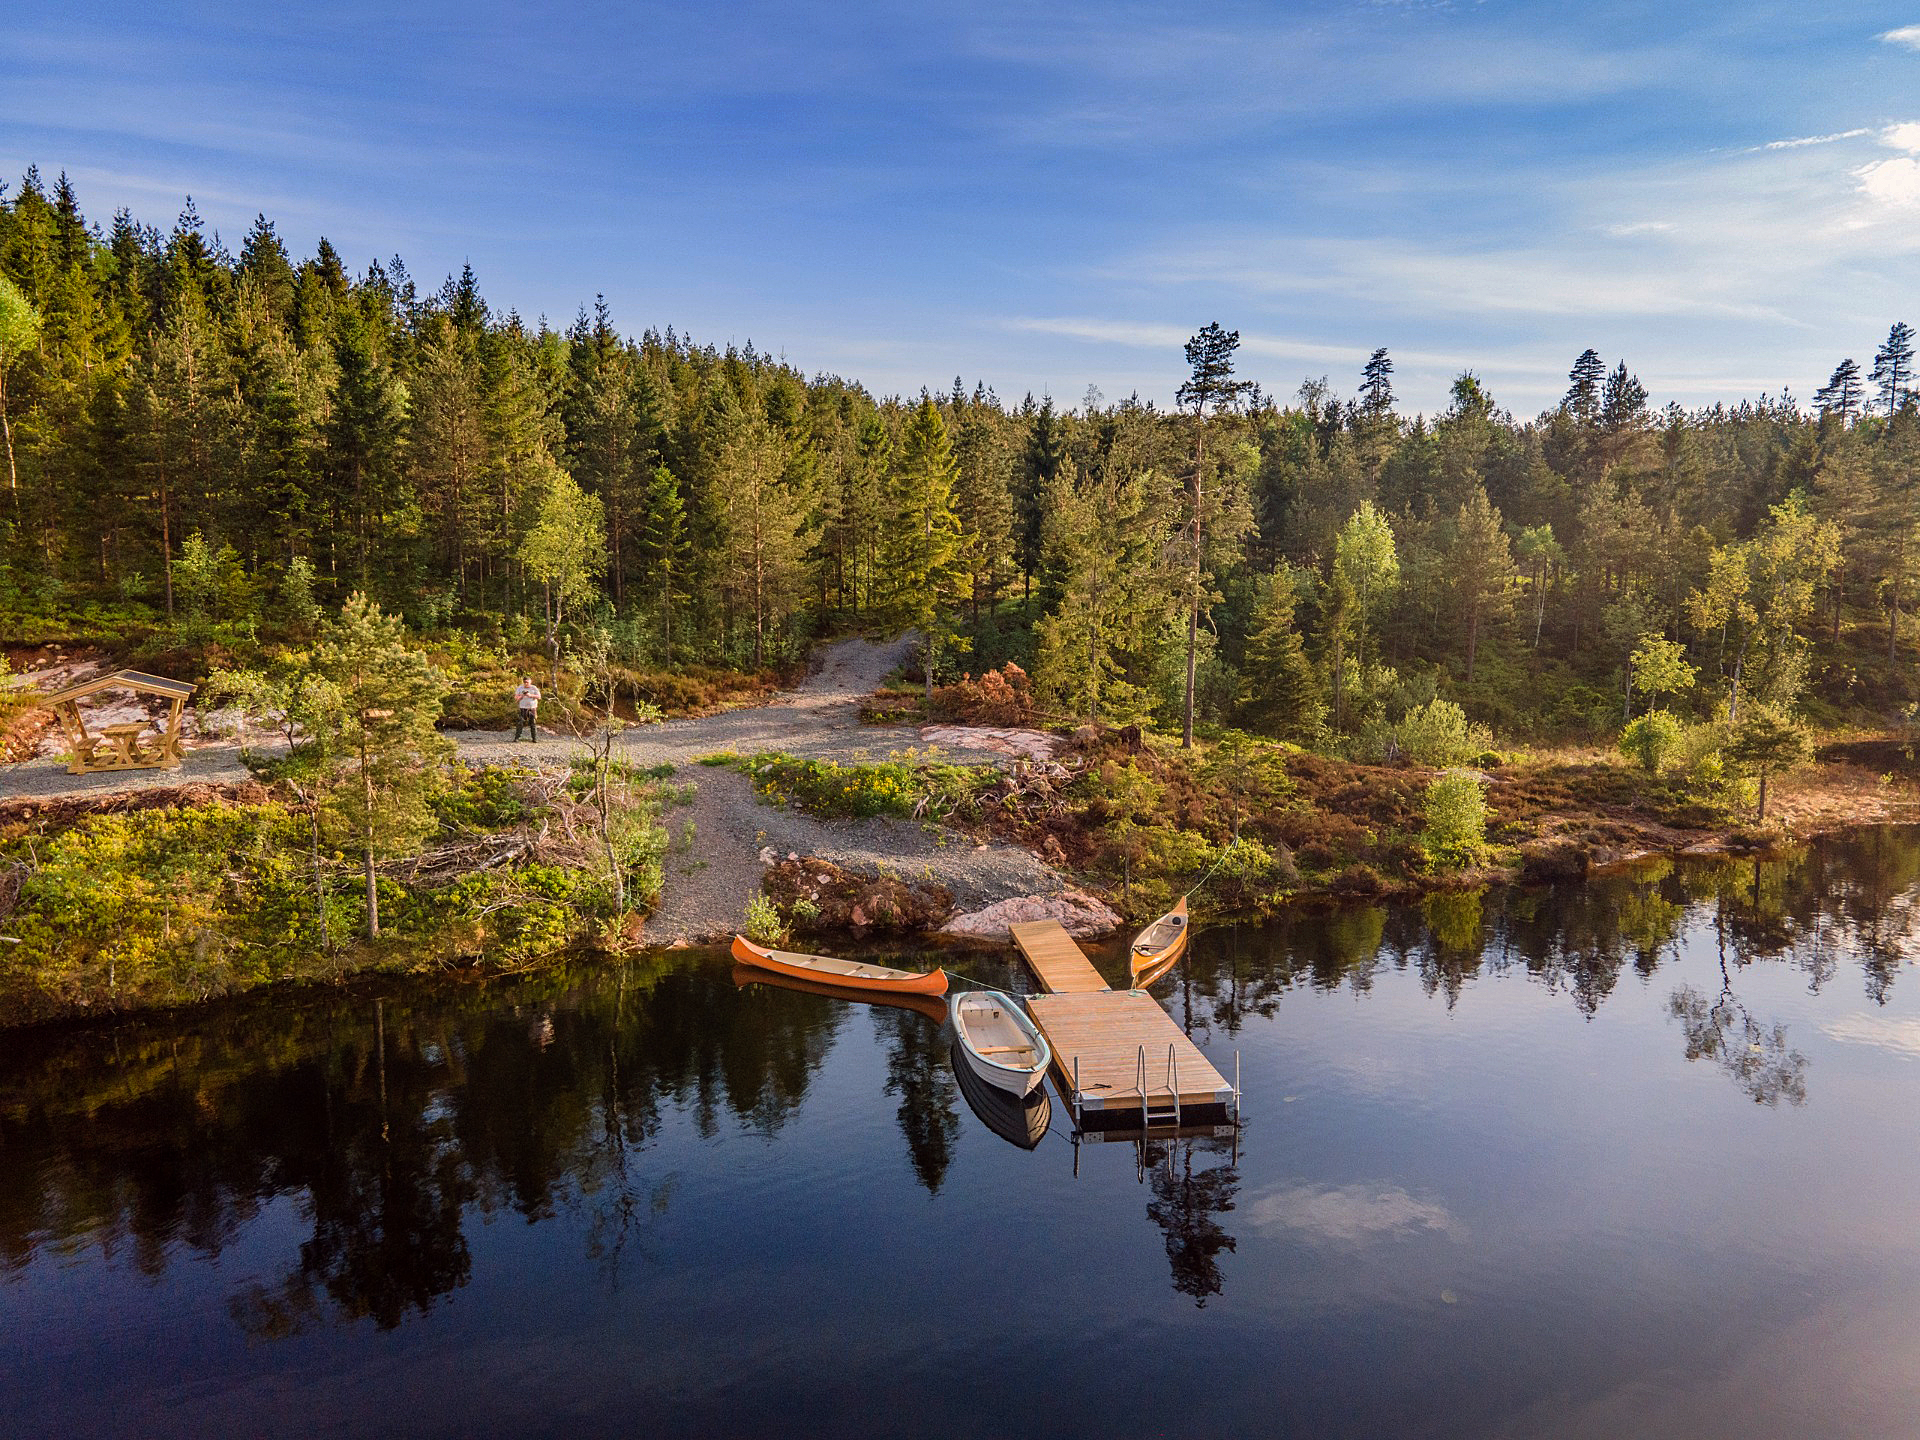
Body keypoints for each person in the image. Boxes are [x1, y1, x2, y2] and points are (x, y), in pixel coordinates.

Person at [512, 676, 542, 742]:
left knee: (533, 723)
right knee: (520, 722)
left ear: (530, 682)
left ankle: (534, 738)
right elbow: (516, 698)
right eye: (525, 682)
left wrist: (530, 695)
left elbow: (539, 697)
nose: (526, 684)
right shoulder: (520, 688)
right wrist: (522, 696)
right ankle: (517, 737)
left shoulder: (534, 688)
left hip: (532, 708)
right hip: (523, 707)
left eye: (527, 682)